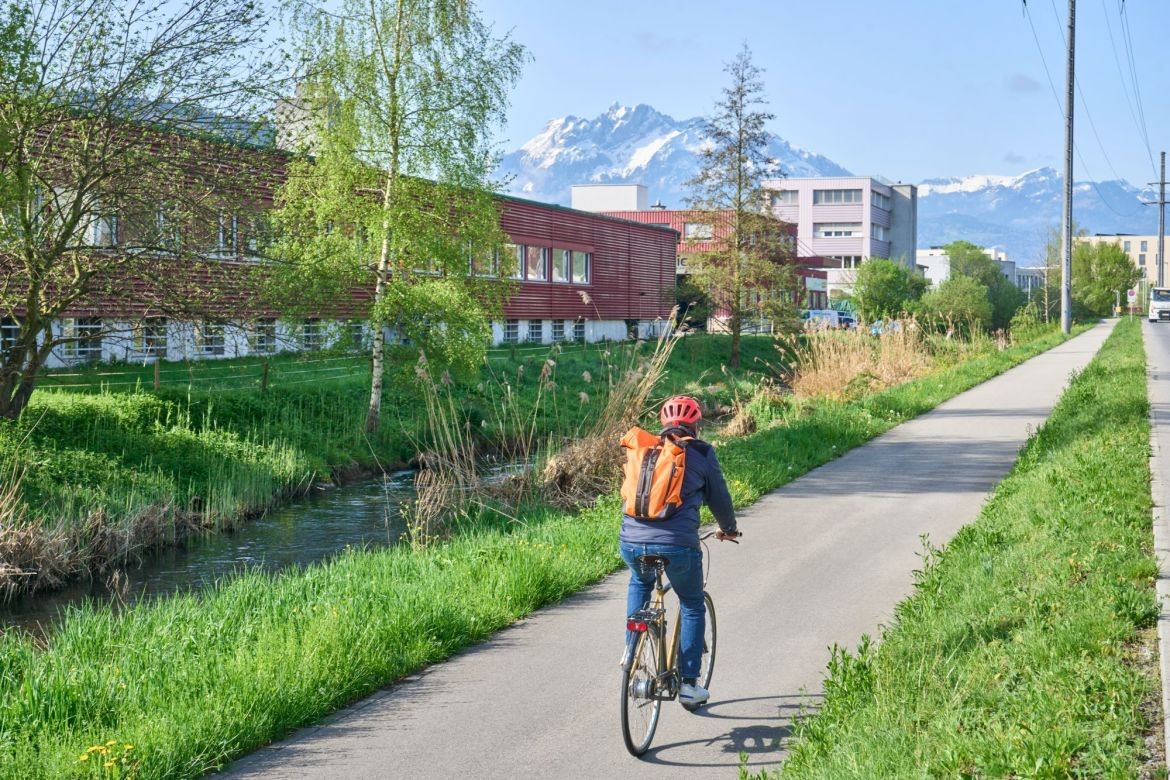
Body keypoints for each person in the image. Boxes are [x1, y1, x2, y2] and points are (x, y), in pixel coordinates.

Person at [619, 394, 740, 707]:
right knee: (691, 602)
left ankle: (630, 654)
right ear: (696, 424)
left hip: (631, 541)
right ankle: (689, 684)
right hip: (678, 546)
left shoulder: (644, 449)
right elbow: (720, 500)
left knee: (641, 582)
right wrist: (728, 528)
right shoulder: (700, 452)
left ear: (663, 422)